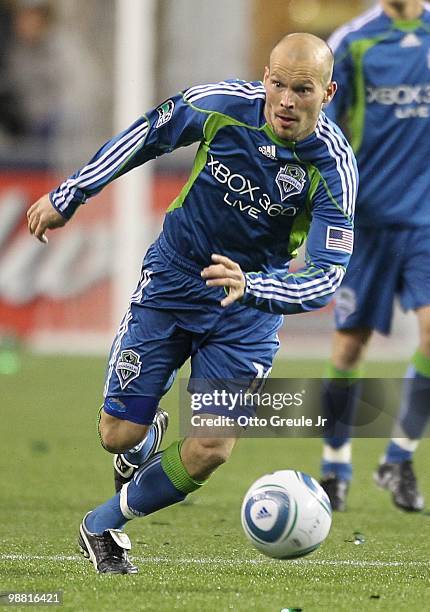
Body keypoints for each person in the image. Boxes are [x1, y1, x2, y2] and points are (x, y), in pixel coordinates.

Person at [27, 33, 357, 574]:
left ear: (327, 91)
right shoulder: (220, 105)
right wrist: (70, 195)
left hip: (248, 310)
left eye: (303, 89)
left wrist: (255, 287)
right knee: (118, 434)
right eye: (277, 84)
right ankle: (142, 441)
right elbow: (145, 137)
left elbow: (325, 277)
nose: (286, 101)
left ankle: (102, 524)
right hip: (173, 283)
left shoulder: (333, 169)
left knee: (210, 446)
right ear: (264, 78)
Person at [319, 0, 430, 512]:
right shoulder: (353, 42)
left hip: (424, 221)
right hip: (365, 223)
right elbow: (322, 127)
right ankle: (335, 465)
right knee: (349, 347)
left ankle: (398, 458)